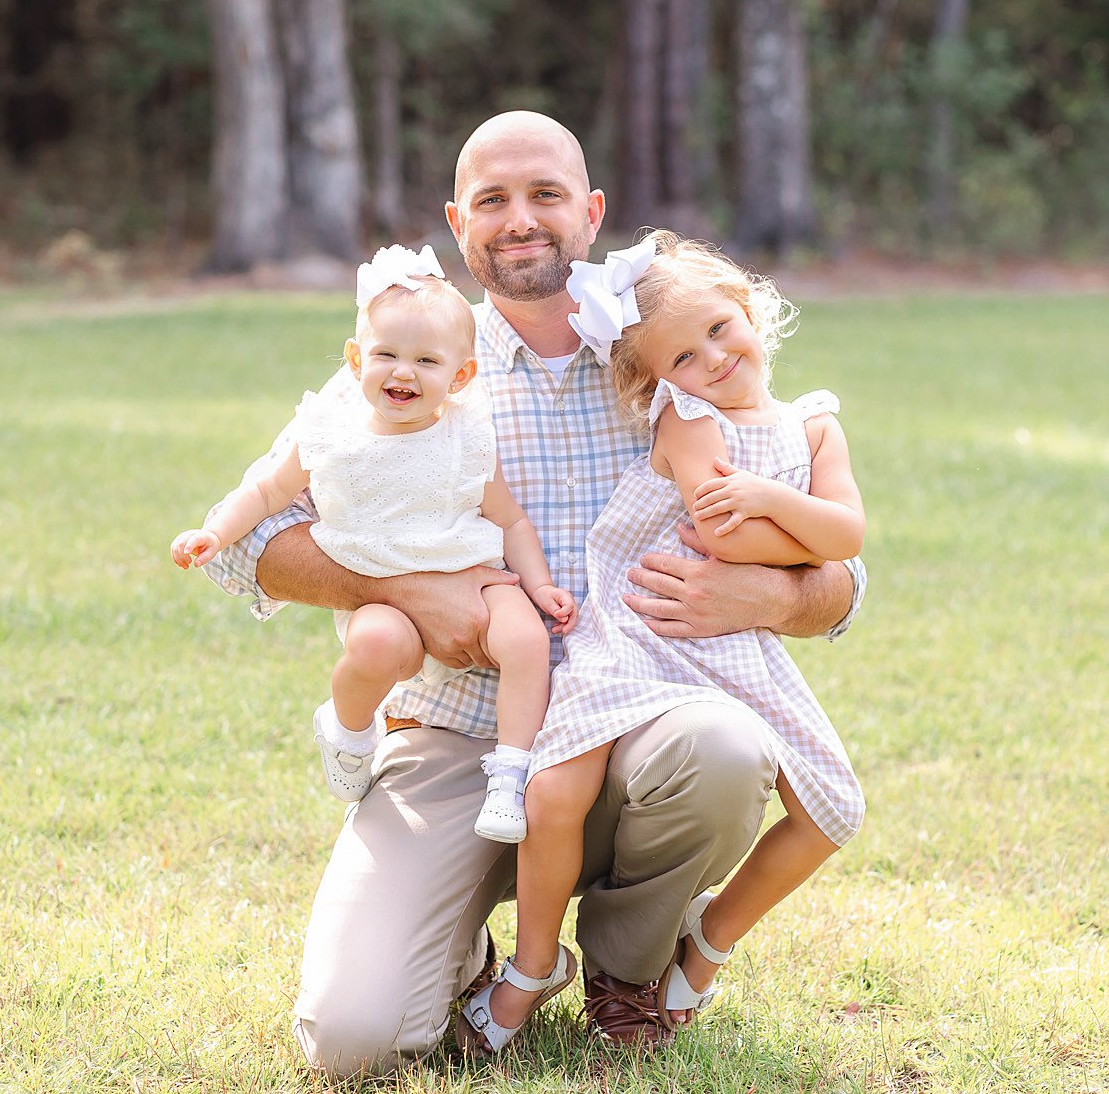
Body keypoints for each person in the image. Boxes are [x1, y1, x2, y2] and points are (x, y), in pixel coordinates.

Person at [200, 111, 867, 1073]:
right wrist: (404, 590)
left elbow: (839, 572)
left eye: (545, 194)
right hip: (460, 730)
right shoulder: (416, 355)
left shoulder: (664, 353)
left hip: (640, 717)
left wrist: (768, 598)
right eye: (493, 200)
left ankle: (628, 969)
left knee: (722, 748)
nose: (521, 219)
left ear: (590, 213)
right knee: (354, 1042)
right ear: (457, 223)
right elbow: (254, 538)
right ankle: (464, 941)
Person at [456, 231, 865, 1053]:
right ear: (655, 381)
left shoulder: (813, 425)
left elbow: (849, 533)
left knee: (833, 810)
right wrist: (795, 525)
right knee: (553, 791)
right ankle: (534, 965)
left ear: (747, 309)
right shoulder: (687, 418)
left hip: (728, 641)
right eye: (682, 354)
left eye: (719, 328)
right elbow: (723, 535)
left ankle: (704, 945)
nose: (711, 358)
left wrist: (768, 507)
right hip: (636, 636)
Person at [170, 245, 575, 842]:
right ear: (356, 360)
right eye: (386, 354)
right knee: (377, 645)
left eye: (426, 360)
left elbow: (511, 521)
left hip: (474, 574)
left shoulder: (468, 437)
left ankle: (509, 774)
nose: (403, 372)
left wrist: (537, 586)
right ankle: (350, 730)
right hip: (380, 588)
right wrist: (214, 532)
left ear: (459, 377)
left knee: (524, 638)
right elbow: (263, 493)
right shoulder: (331, 432)